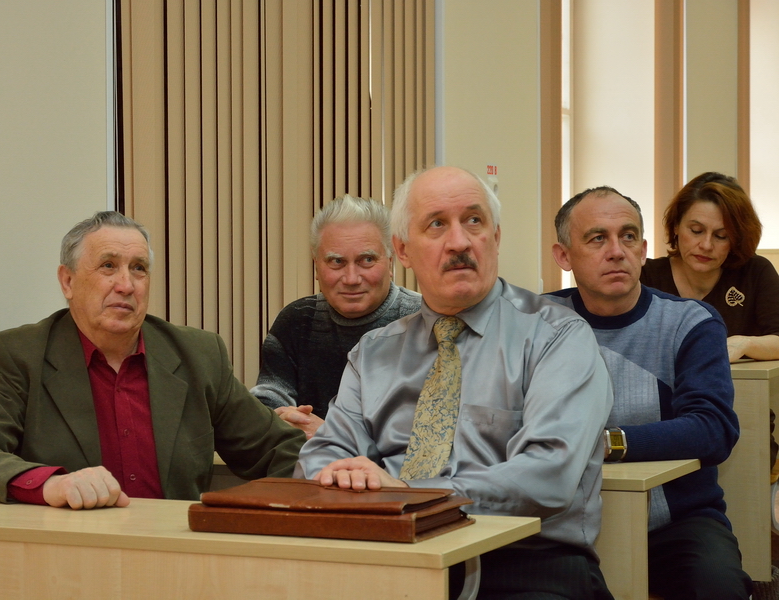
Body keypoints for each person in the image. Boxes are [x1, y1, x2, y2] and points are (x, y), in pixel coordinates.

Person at [296, 166, 615, 599]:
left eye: (474, 221)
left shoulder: (557, 337)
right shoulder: (373, 353)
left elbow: (549, 473)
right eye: (436, 225)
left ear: (495, 237)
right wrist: (348, 481)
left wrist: (409, 495)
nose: (460, 242)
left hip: (525, 562)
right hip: (394, 561)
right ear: (403, 250)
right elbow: (321, 457)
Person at [0, 211, 305, 510]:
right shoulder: (24, 355)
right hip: (70, 554)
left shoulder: (198, 355)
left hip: (175, 552)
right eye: (108, 266)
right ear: (67, 281)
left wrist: (331, 469)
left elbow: (277, 450)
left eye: (139, 268)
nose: (126, 285)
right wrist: (52, 484)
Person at [549, 186, 752, 599]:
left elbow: (713, 428)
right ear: (564, 256)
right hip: (559, 519)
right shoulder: (536, 323)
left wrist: (607, 443)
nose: (616, 251)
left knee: (719, 586)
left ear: (643, 251)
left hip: (675, 524)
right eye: (597, 238)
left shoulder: (690, 323)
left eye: (628, 237)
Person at [639, 171, 779, 534]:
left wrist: (744, 343)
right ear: (676, 227)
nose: (705, 245)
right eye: (695, 230)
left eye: (721, 236)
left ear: (737, 238)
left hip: (741, 423)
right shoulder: (646, 277)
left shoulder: (755, 273)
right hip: (658, 425)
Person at [251, 194, 421, 438]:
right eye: (337, 262)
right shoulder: (296, 321)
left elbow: (429, 432)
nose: (351, 278)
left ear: (391, 262)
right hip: (302, 459)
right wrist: (283, 419)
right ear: (316, 266)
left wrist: (331, 435)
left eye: (367, 260)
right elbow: (268, 399)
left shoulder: (426, 322)